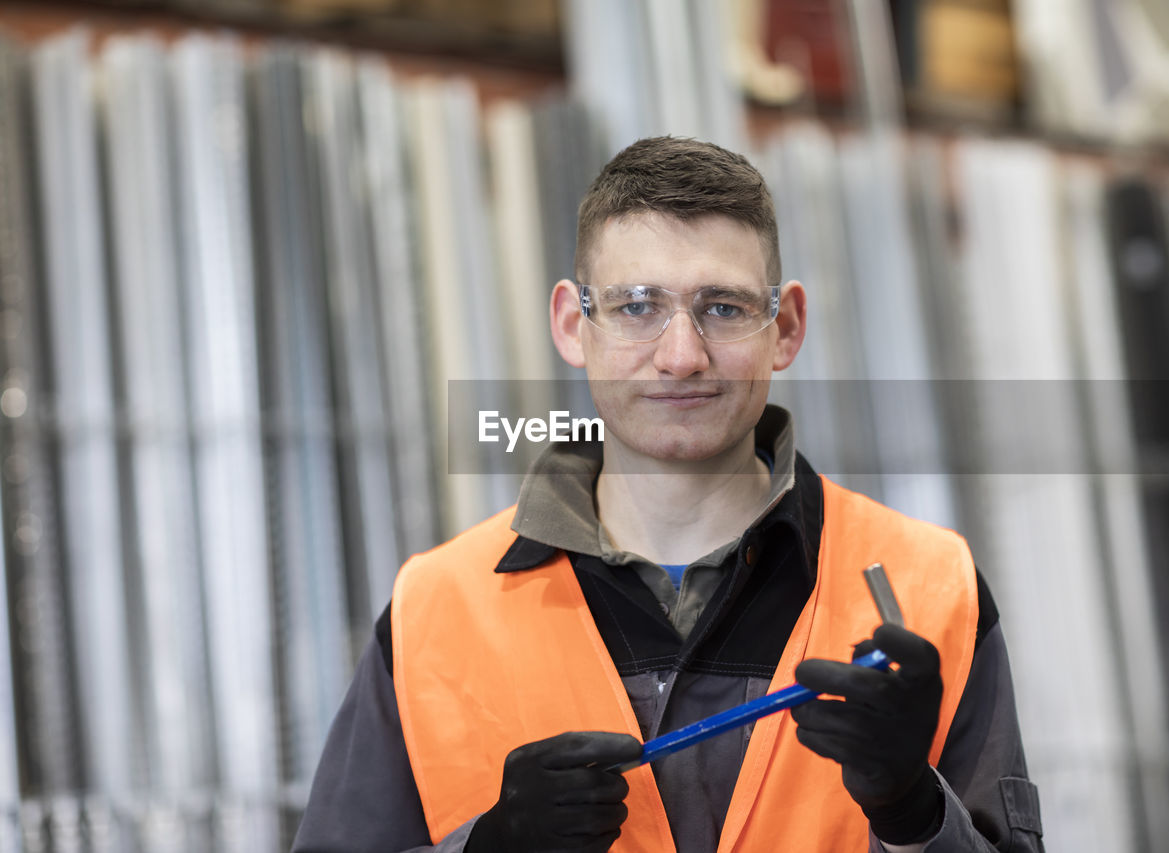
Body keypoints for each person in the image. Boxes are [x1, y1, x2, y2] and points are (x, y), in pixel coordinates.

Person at [292, 136, 1045, 852]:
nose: (681, 357)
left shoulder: (932, 591)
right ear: (571, 324)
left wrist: (914, 810)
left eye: (723, 307)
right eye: (636, 306)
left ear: (784, 327)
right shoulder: (435, 611)